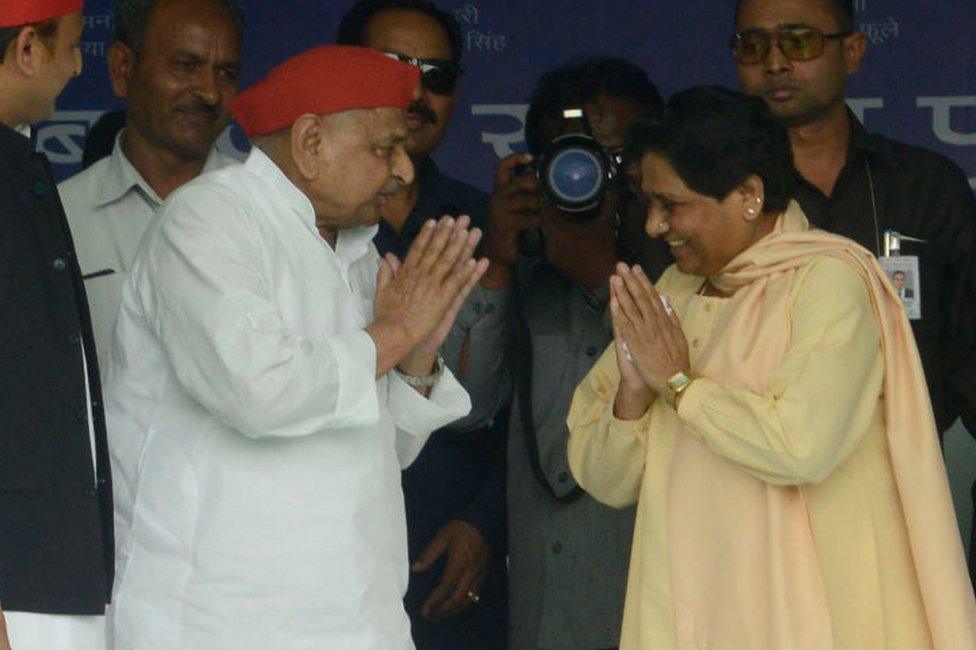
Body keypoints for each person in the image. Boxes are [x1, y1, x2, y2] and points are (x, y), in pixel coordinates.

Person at [104, 45, 489, 649]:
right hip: (218, 620)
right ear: (311, 142)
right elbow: (259, 390)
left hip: (358, 617)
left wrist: (415, 358)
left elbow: (380, 448)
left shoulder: (358, 251)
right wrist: (394, 334)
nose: (404, 172)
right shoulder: (208, 220)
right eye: (385, 148)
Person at [567, 85, 976, 649]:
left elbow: (802, 445)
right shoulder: (672, 292)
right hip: (691, 605)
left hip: (811, 615)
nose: (655, 226)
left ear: (749, 196)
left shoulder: (828, 281)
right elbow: (605, 481)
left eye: (673, 204)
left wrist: (683, 387)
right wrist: (634, 393)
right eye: (650, 204)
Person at [731, 0, 976, 584]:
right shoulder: (715, 199)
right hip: (756, 502)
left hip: (902, 496)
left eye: (799, 42)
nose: (774, 62)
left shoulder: (924, 186)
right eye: (753, 46)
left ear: (853, 52)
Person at [481, 58, 668, 650]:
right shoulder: (520, 263)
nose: (593, 181)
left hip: (655, 599)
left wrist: (600, 272)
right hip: (548, 609)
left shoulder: (688, 269)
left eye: (614, 162)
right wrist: (497, 266)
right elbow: (466, 407)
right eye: (574, 160)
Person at [337, 3, 508, 646]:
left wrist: (484, 522)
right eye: (393, 67)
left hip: (456, 550)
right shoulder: (304, 221)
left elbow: (533, 403)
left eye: (436, 74)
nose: (416, 89)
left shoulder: (485, 219)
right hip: (330, 551)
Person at [0, 2, 115, 650]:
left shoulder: (17, 162)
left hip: (51, 576)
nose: (77, 64)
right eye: (70, 46)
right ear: (26, 50)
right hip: (16, 583)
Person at [59, 0, 243, 369]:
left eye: (225, 74)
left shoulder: (269, 210)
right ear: (122, 69)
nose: (210, 92)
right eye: (186, 66)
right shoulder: (60, 219)